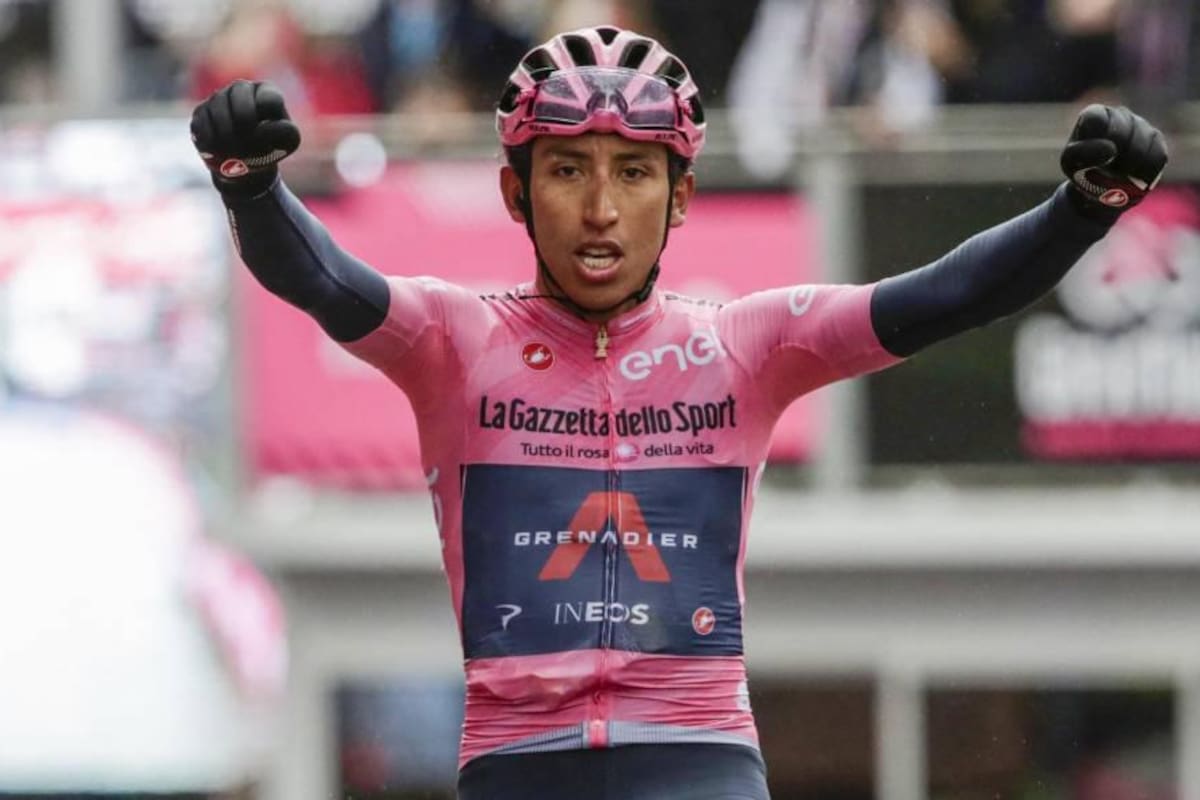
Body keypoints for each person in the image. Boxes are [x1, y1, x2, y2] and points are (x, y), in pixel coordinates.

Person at [189, 25, 1167, 800]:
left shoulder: (744, 345)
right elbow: (321, 278)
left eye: (634, 171)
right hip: (518, 763)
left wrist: (1081, 210)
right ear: (514, 193)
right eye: (567, 170)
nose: (601, 208)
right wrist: (253, 188)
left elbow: (947, 295)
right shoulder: (451, 339)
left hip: (699, 761)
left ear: (683, 193)